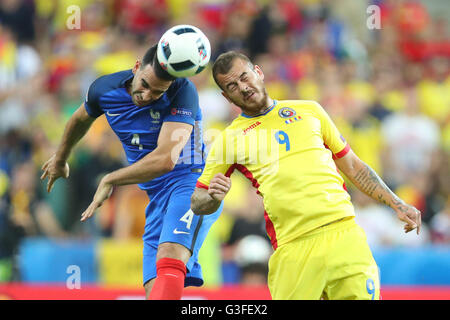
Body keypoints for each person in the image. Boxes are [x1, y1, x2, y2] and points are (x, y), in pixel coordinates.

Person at [190, 51, 422, 300]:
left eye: (245, 77)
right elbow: (197, 201)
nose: (243, 88)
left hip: (344, 234)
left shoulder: (310, 111)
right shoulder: (229, 140)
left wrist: (396, 203)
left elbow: (353, 166)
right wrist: (213, 197)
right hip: (293, 247)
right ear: (226, 97)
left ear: (258, 72)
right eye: (232, 86)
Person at [40, 43, 221, 300]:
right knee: (154, 291)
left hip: (191, 184)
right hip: (157, 197)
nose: (146, 95)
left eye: (157, 93)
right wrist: (60, 157)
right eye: (144, 84)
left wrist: (110, 179)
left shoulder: (182, 91)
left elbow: (165, 161)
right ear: (136, 67)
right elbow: (80, 119)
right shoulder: (104, 89)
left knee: (170, 255)